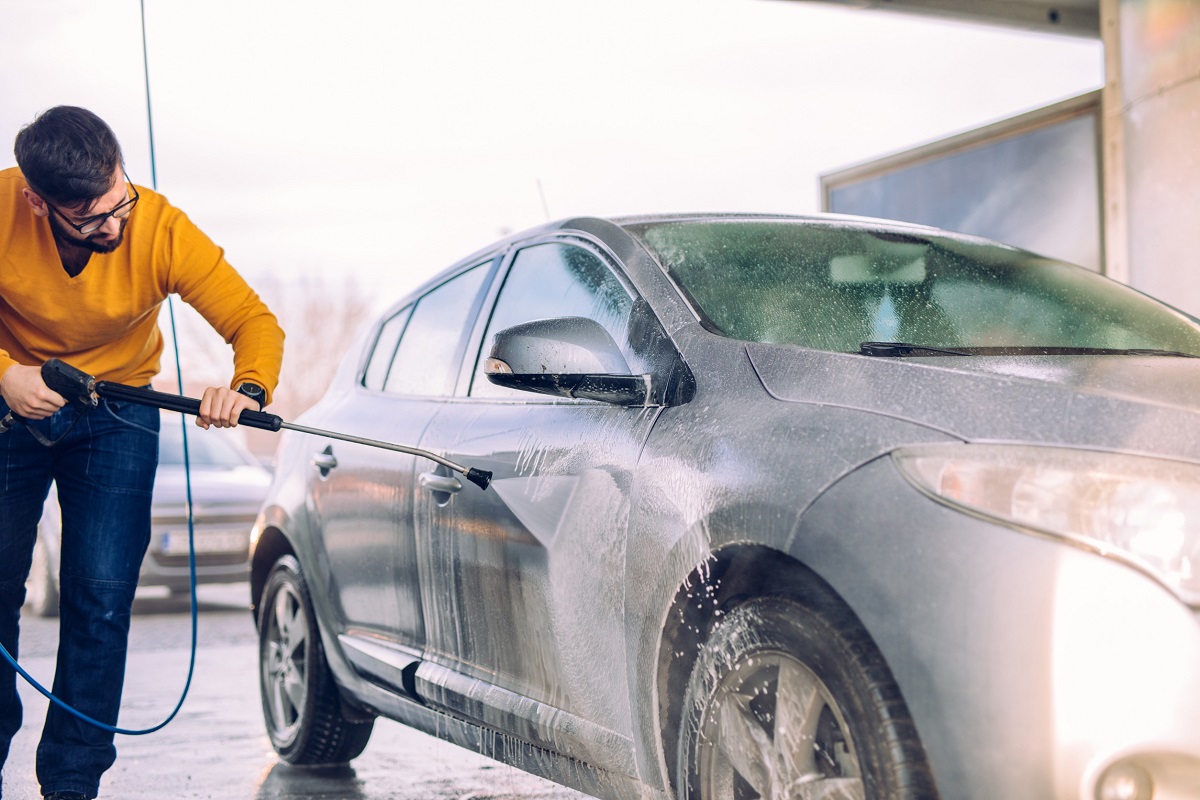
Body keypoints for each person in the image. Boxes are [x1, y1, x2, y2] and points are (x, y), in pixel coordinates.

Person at [0, 106, 284, 799]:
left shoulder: (159, 226)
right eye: (91, 218)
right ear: (37, 202)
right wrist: (5, 375)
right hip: (12, 403)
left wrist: (245, 387)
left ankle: (72, 783)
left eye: (118, 202)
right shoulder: (2, 207)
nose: (115, 226)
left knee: (99, 601)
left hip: (116, 410)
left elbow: (253, 322)